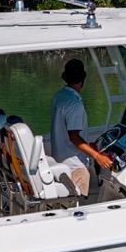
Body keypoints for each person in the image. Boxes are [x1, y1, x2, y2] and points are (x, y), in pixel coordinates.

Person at [50, 58, 94, 194]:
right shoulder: (75, 105)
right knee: (77, 210)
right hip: (76, 167)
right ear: (82, 80)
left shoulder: (59, 96)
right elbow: (74, 137)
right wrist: (97, 156)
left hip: (60, 160)